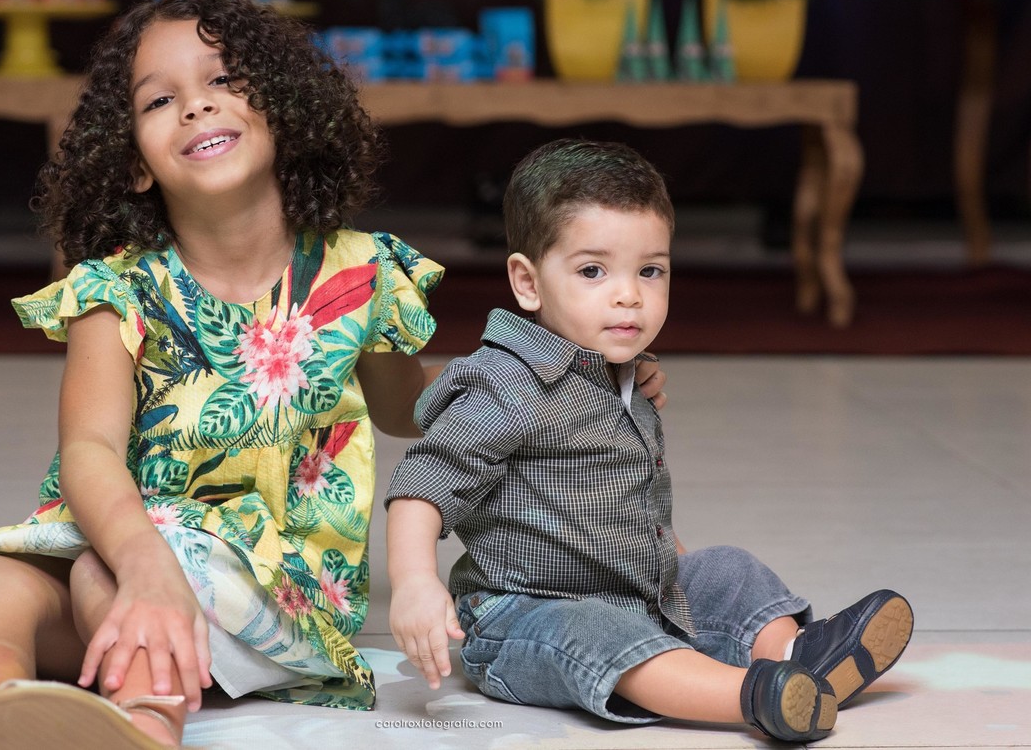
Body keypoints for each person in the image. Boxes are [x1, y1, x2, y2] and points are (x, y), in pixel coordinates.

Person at [0, 0, 668, 750]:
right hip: (125, 548)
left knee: (98, 573)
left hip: (282, 589)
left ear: (286, 114)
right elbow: (87, 451)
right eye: (159, 99)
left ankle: (142, 728)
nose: (194, 102)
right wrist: (146, 560)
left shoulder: (358, 277)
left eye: (224, 79)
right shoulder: (116, 290)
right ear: (134, 162)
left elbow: (413, 410)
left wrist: (565, 373)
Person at [385, 139, 914, 743]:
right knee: (599, 635)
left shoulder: (623, 373)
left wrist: (685, 574)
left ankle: (797, 654)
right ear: (527, 283)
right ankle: (752, 695)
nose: (628, 294)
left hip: (638, 586)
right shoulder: (503, 385)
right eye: (593, 271)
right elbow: (421, 486)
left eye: (650, 270)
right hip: (526, 613)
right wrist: (415, 585)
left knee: (726, 569)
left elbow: (634, 497)